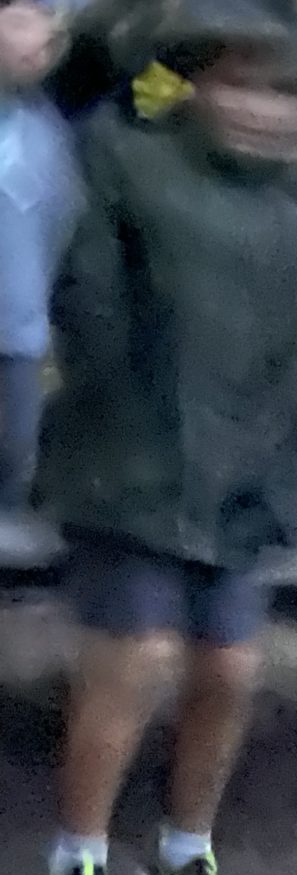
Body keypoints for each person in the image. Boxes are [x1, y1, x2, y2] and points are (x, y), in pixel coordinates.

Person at [37, 6, 297, 875]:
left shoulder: (295, 225)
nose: (264, 109)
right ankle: (77, 857)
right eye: (241, 85)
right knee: (134, 659)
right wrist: (118, 436)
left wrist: (288, 476)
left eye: (282, 92)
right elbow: (91, 314)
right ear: (188, 86)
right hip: (134, 470)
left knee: (231, 669)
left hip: (242, 490)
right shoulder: (126, 162)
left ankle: (184, 851)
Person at [0, 0, 78, 523]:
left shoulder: (46, 129)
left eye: (51, 29)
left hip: (19, 335)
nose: (42, 41)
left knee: (13, 462)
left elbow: (61, 220)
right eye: (23, 21)